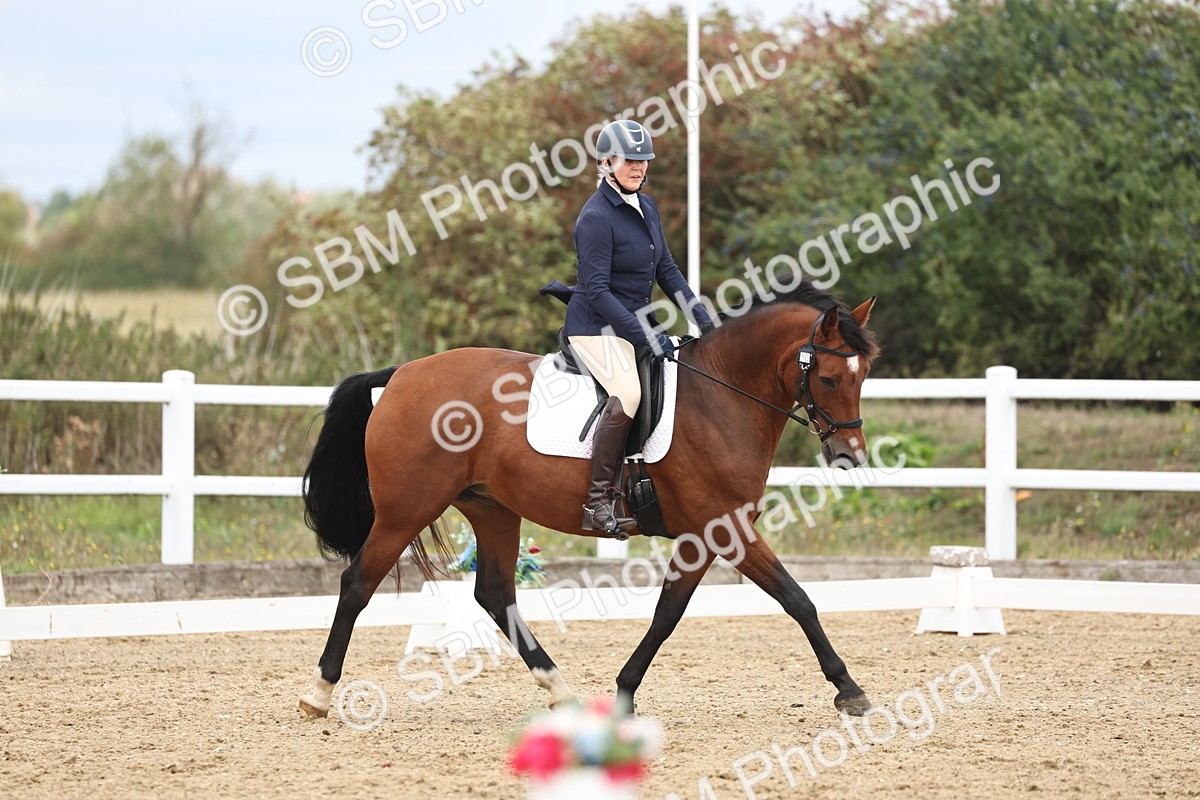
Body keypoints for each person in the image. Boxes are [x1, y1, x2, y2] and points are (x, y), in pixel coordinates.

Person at [564, 119, 715, 536]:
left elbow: (667, 269)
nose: (638, 167)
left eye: (643, 160)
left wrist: (702, 319)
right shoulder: (594, 217)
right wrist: (646, 335)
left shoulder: (646, 207)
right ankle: (596, 502)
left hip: (633, 322)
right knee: (628, 392)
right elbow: (596, 291)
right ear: (606, 162)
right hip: (595, 327)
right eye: (630, 160)